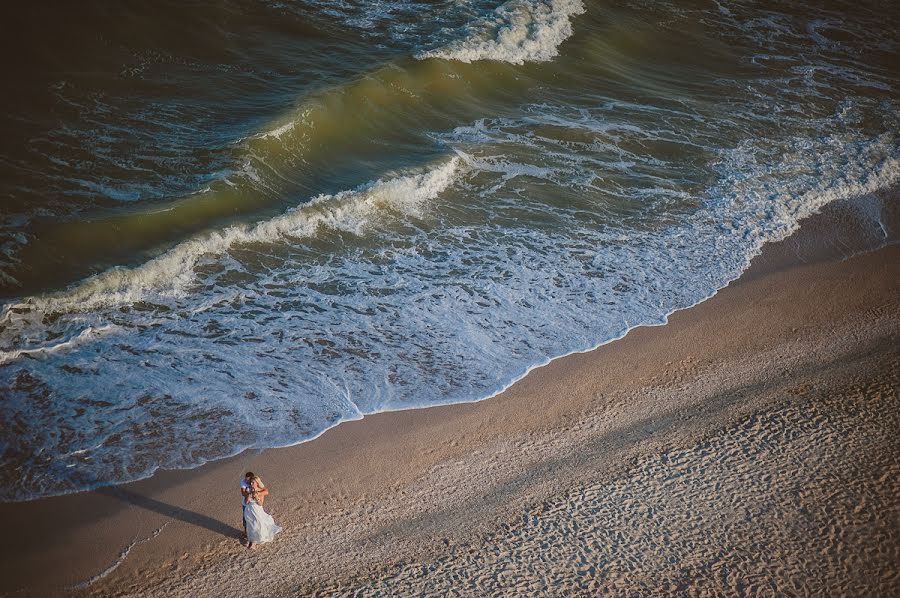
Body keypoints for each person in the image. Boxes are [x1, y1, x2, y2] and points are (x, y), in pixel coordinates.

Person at [244, 475, 282, 549]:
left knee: (257, 524)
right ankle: (250, 540)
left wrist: (257, 497)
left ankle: (255, 541)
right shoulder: (248, 490)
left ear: (257, 483)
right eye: (251, 482)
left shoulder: (261, 491)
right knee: (250, 525)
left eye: (253, 482)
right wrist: (248, 497)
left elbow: (261, 503)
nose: (251, 484)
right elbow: (246, 502)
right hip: (249, 510)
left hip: (257, 510)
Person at [240, 471, 254, 541]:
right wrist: (249, 495)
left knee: (252, 518)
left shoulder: (254, 482)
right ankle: (246, 531)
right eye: (245, 479)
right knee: (245, 518)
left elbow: (265, 490)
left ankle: (252, 533)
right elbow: (243, 493)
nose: (246, 480)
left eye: (247, 479)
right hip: (245, 504)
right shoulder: (243, 481)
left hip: (253, 504)